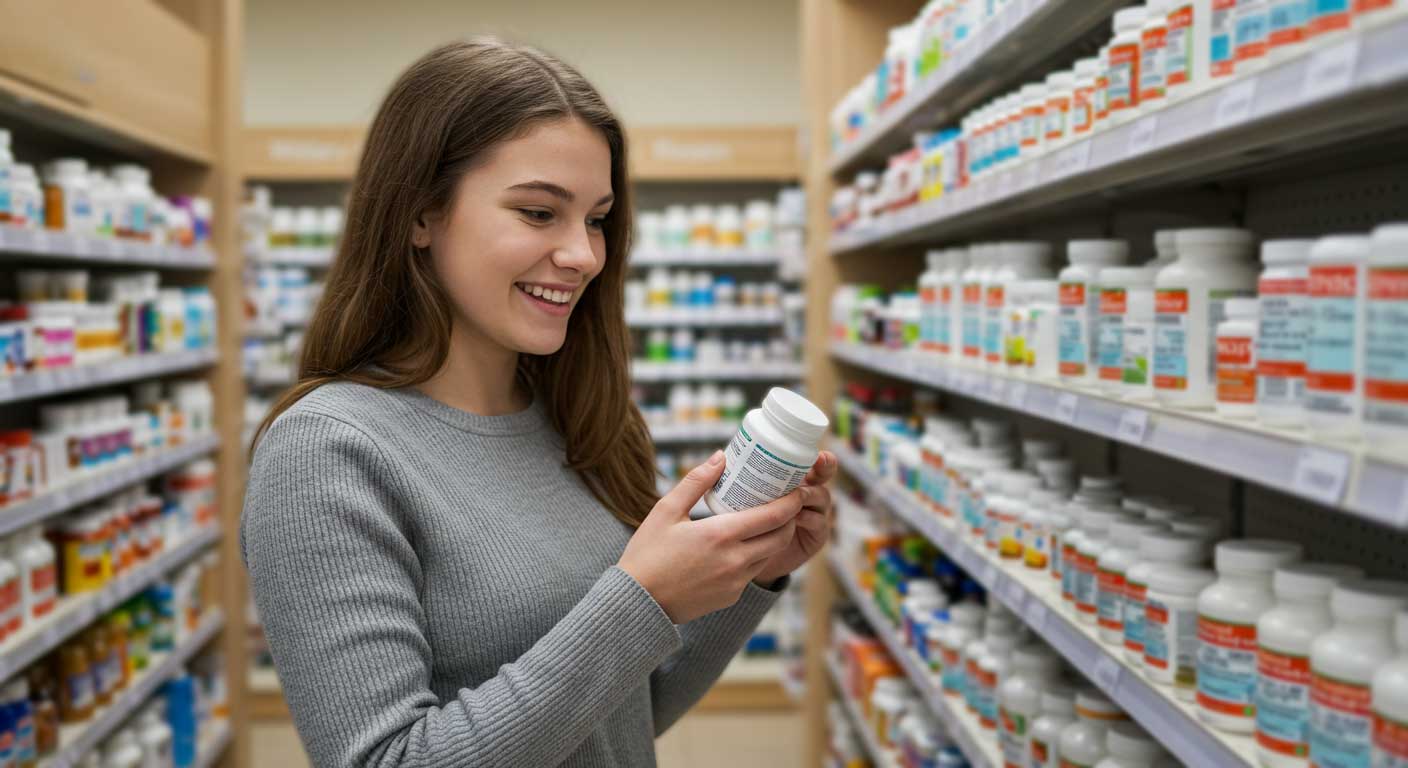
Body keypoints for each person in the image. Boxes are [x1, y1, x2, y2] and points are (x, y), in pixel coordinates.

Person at [241, 37, 835, 767]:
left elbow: (622, 718)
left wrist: (749, 573)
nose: (584, 255)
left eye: (596, 218)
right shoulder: (327, 452)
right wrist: (641, 598)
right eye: (538, 212)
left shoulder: (579, 420)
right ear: (420, 213)